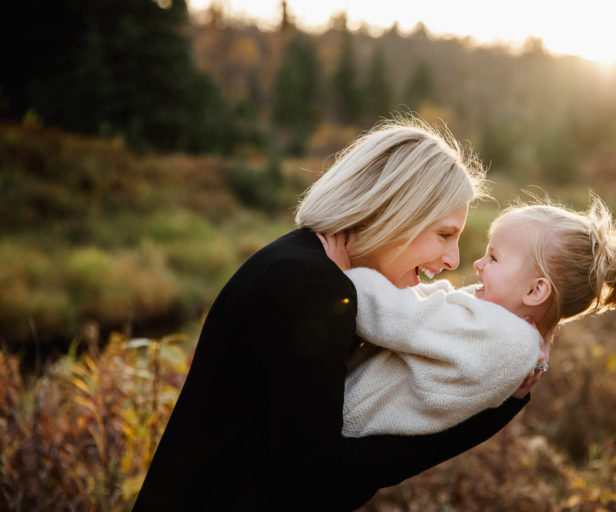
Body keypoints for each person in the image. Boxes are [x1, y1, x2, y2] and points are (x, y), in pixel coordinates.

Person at [133, 118, 542, 511]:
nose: (453, 259)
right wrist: (482, 417)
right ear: (396, 210)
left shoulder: (304, 266)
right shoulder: (313, 287)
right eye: (444, 234)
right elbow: (319, 483)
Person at [319, 195, 616, 437]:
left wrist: (345, 273)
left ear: (535, 291)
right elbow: (435, 302)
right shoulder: (502, 325)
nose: (478, 264)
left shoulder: (503, 336)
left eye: (494, 257)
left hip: (345, 419)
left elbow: (400, 318)